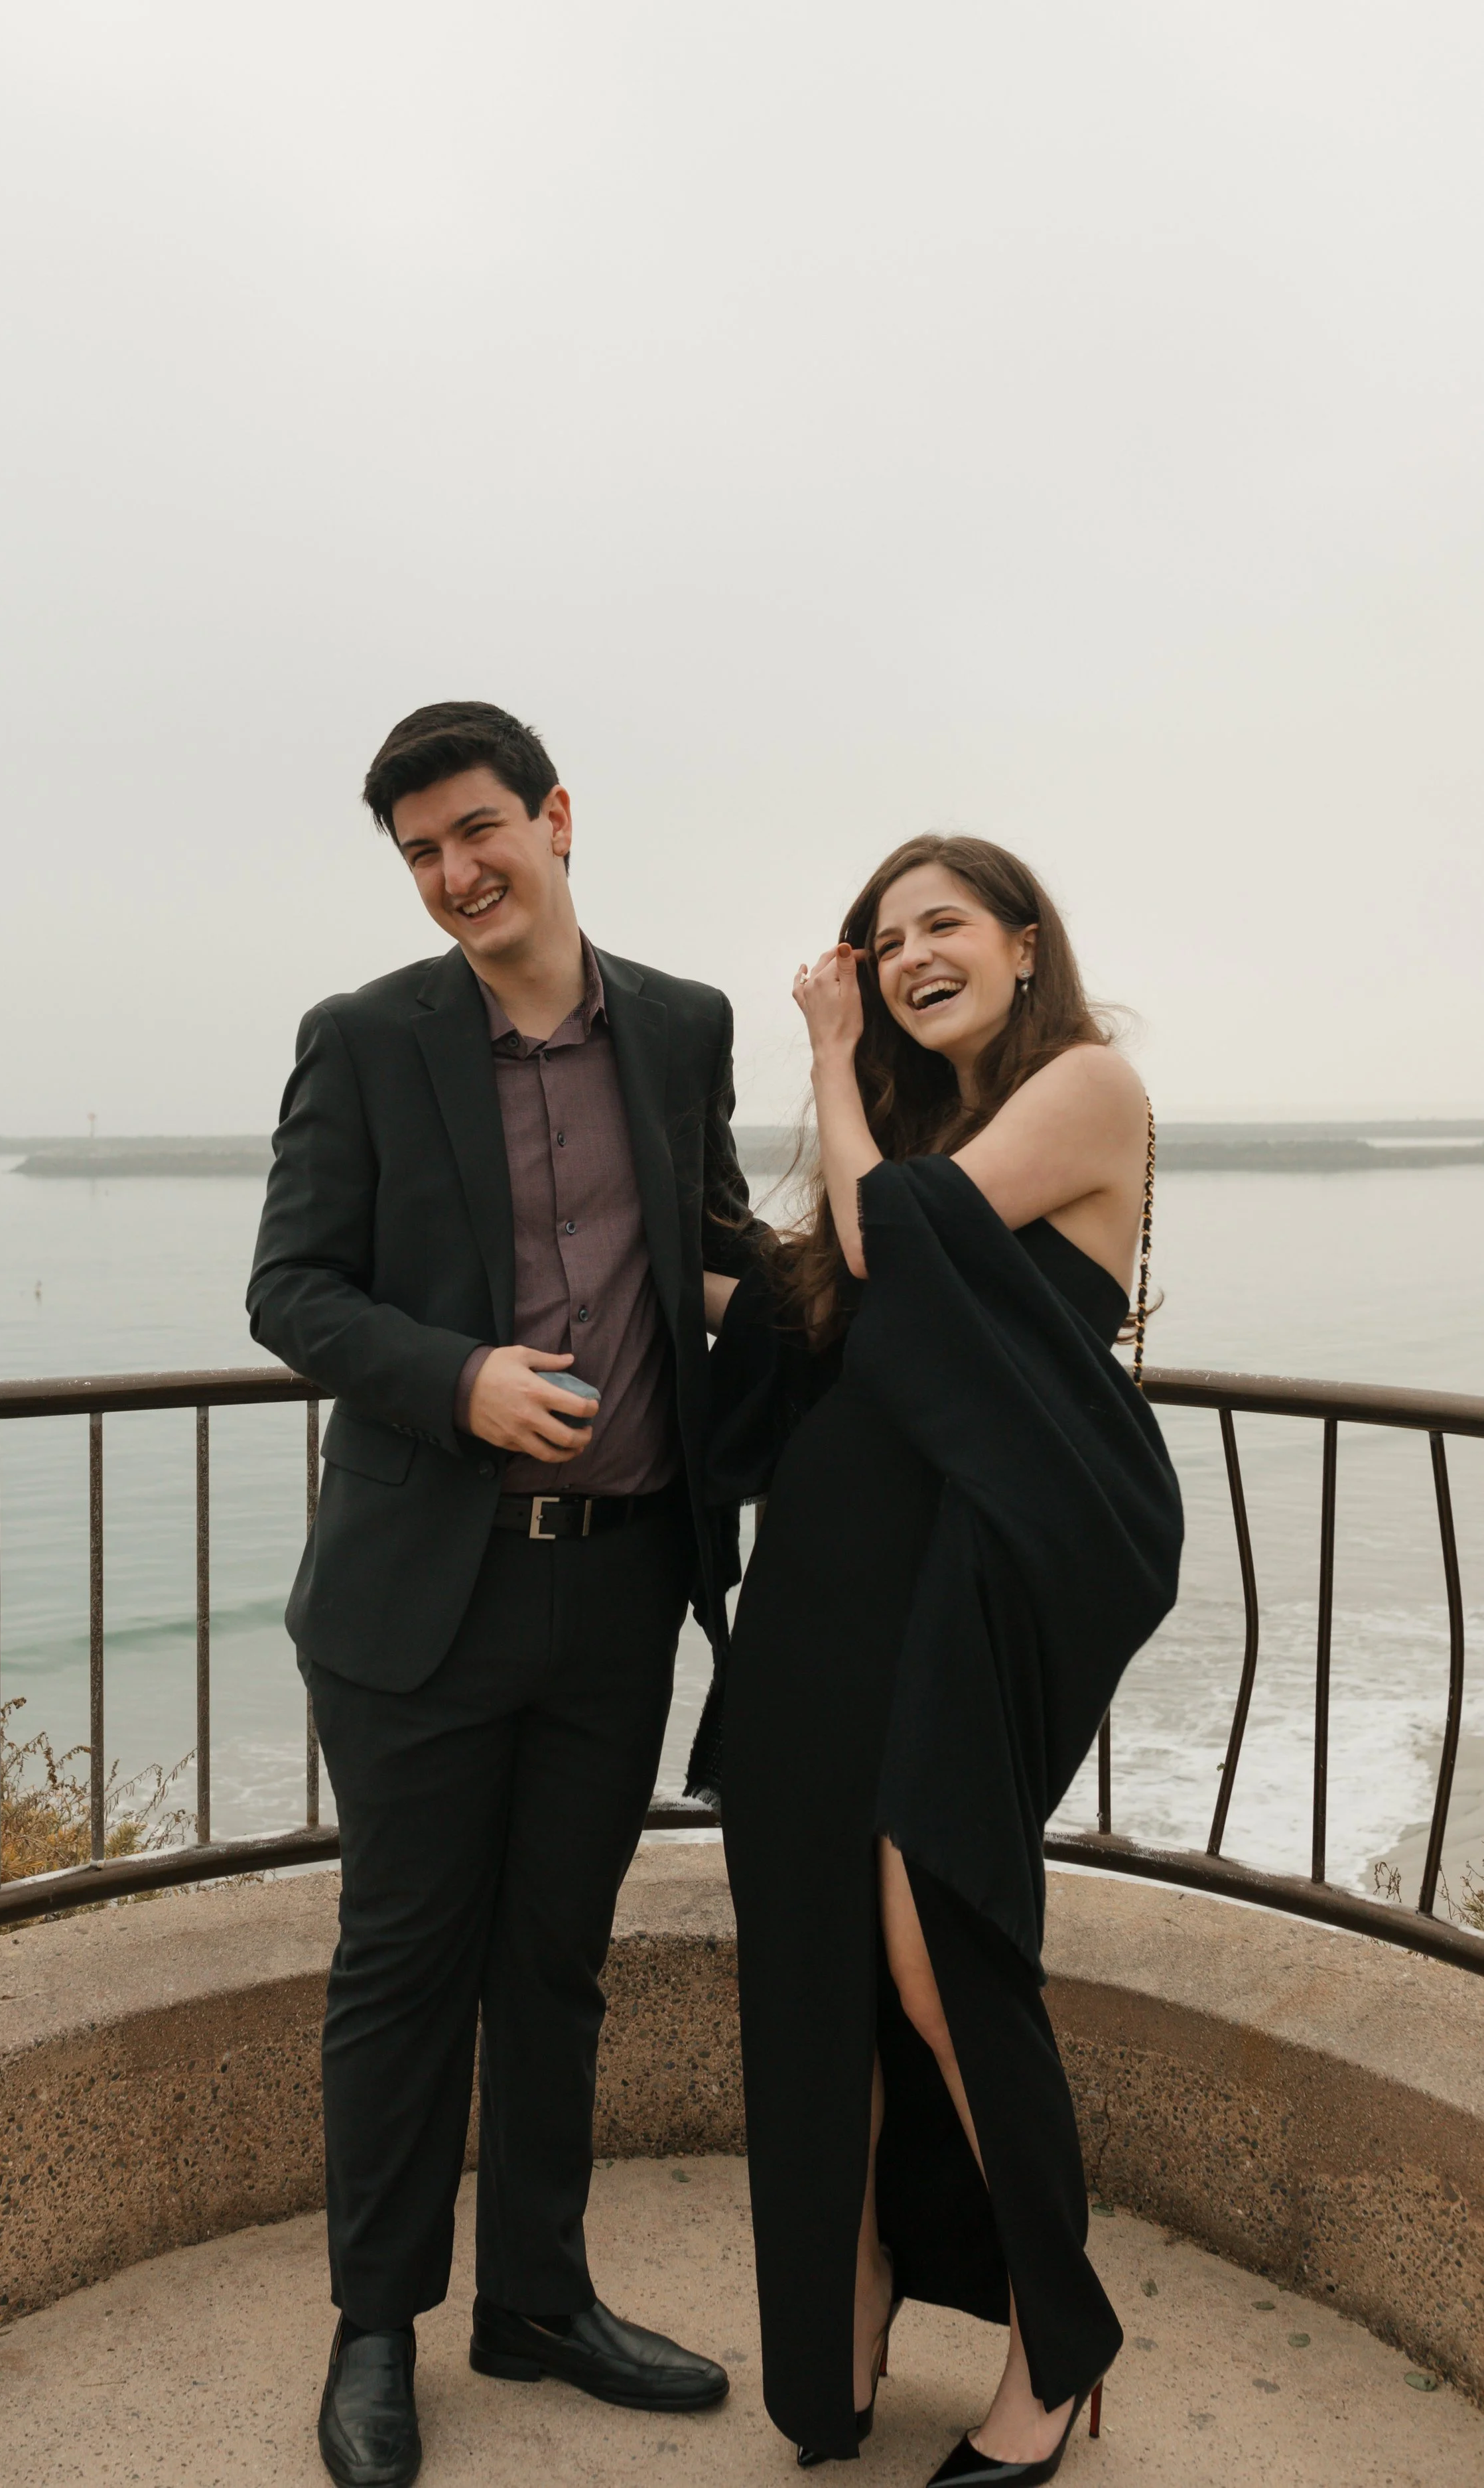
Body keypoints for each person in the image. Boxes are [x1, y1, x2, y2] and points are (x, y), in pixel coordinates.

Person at [248, 701, 756, 2488]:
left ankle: (537, 2297)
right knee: (402, 1967)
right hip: (417, 1603)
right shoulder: (365, 1037)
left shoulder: (681, 1025)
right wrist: (452, 1374)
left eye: (477, 830)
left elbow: (716, 1247)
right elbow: (292, 1291)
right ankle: (374, 2326)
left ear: (553, 814)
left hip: (620, 1592)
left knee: (556, 1961)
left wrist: (907, 1269)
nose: (455, 872)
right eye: (419, 852)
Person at [697, 835, 1182, 2484]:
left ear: (1024, 940)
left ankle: (1058, 2336)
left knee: (933, 1948)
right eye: (879, 941)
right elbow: (822, 1313)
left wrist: (828, 1059)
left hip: (980, 1578)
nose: (906, 958)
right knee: (817, 1959)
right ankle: (858, 2269)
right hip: (836, 1594)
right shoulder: (899, 1138)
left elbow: (904, 1248)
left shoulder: (1087, 1088)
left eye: (940, 926)